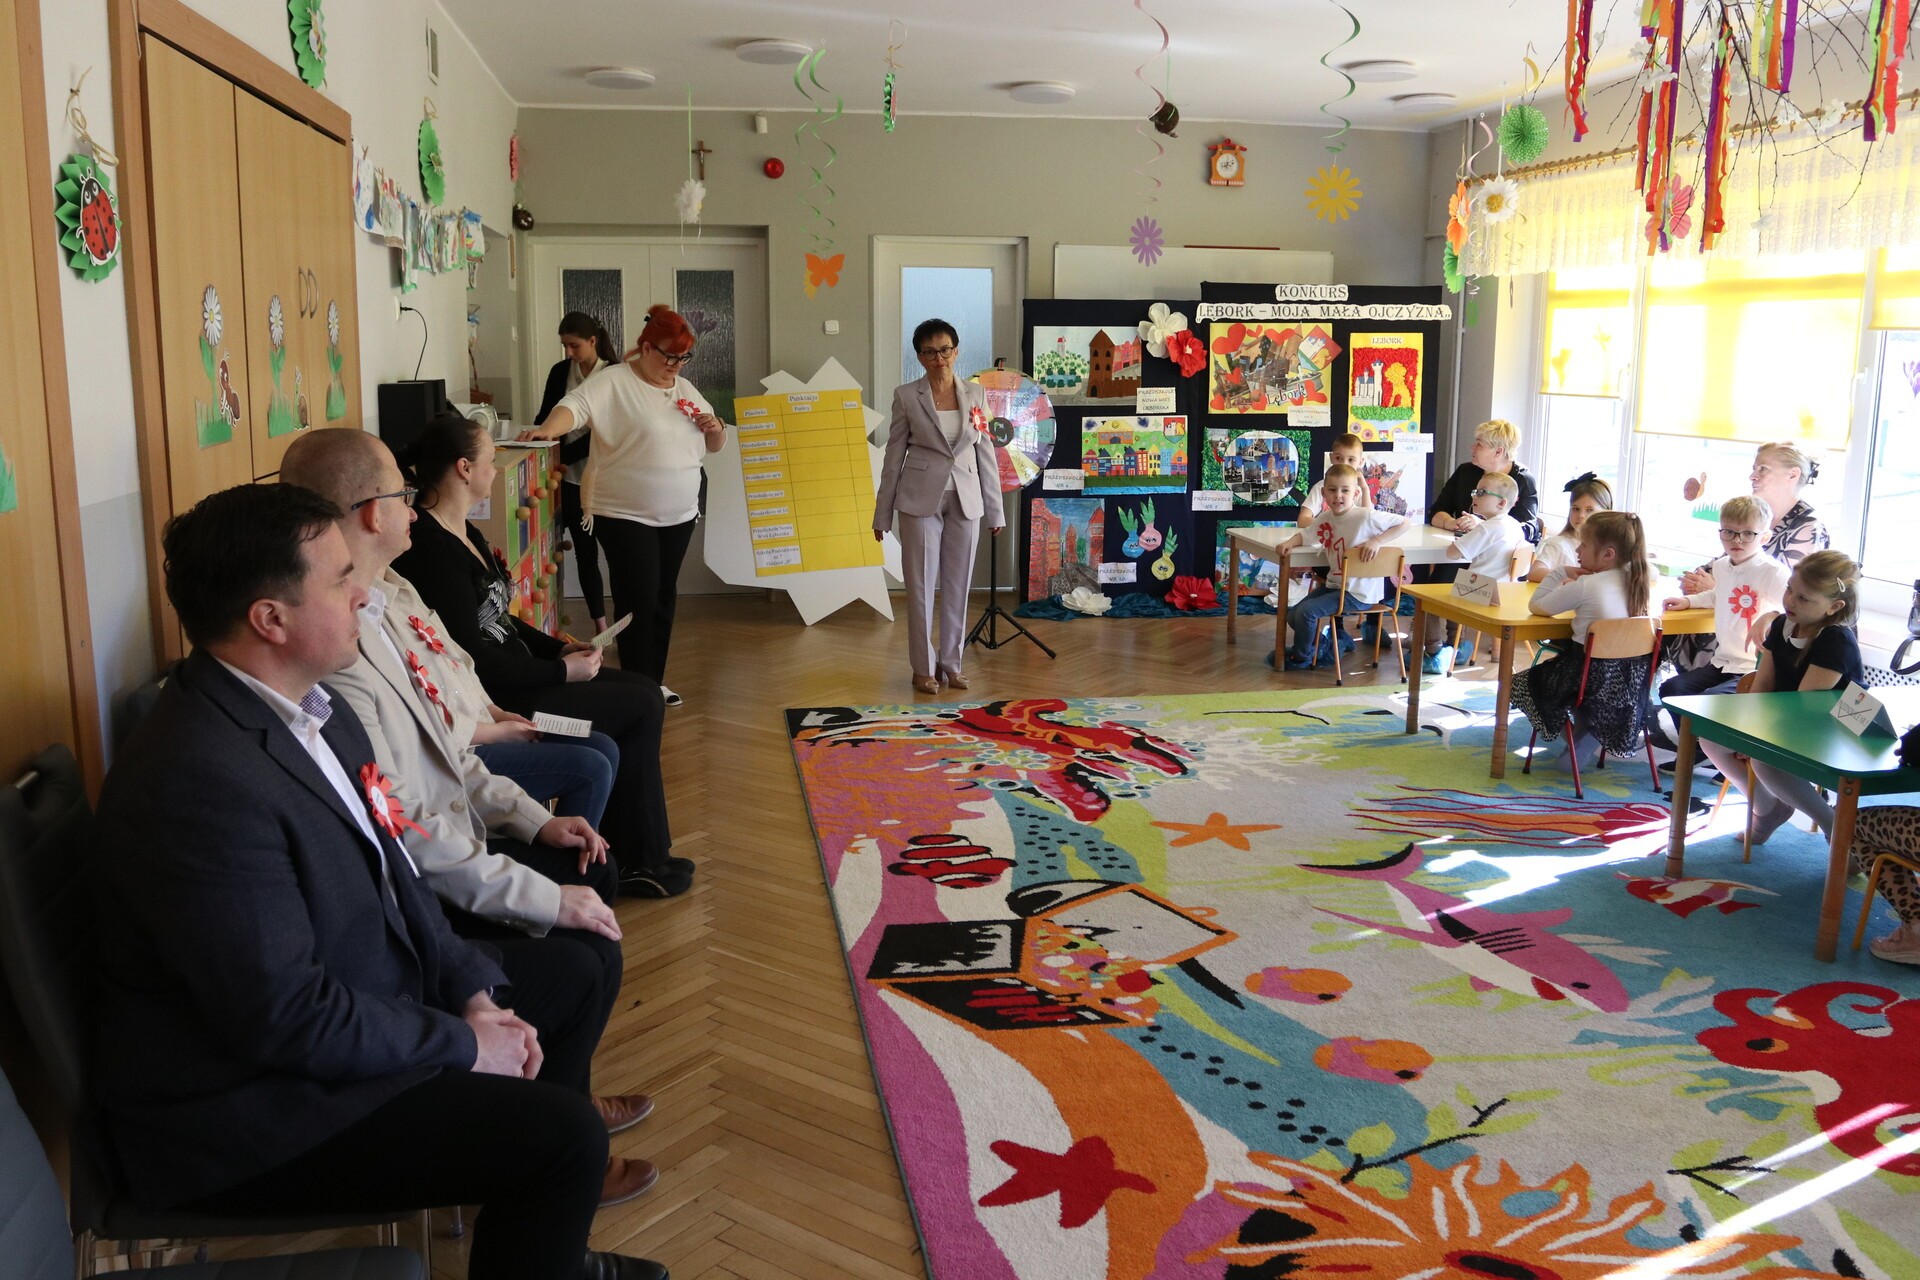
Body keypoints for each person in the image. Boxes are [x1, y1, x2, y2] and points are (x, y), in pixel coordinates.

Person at [90, 483, 666, 1280]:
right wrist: (464, 1042)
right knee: (564, 1138)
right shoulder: (196, 781)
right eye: (339, 579)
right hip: (257, 1113)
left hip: (357, 1007)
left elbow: (400, 875)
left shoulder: (317, 711)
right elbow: (287, 1019)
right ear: (271, 619)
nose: (365, 593)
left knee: (573, 972)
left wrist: (469, 991)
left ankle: (550, 1248)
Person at [398, 414, 692, 899]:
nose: (496, 470)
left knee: (643, 690)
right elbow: (475, 657)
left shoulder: (465, 533)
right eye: (491, 460)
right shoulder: (430, 551)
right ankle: (639, 857)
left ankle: (637, 851)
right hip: (504, 696)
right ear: (464, 468)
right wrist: (560, 671)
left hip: (528, 673)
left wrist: (561, 648)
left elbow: (503, 621)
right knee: (641, 705)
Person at [519, 304, 730, 706]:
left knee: (663, 597)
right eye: (669, 356)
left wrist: (716, 427)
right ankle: (637, 689)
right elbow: (573, 408)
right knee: (639, 597)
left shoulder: (684, 390)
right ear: (646, 347)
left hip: (680, 515)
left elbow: (715, 445)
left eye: (684, 357)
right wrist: (547, 430)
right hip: (623, 513)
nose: (676, 366)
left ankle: (652, 682)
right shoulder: (614, 381)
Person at [871, 318, 1005, 695]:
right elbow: (893, 457)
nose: (939, 358)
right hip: (919, 499)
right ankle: (922, 668)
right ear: (920, 357)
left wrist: (995, 509)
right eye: (929, 352)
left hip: (966, 498)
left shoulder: (976, 394)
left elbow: (986, 454)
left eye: (945, 350)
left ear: (956, 351)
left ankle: (951, 664)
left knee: (958, 586)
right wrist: (882, 513)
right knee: (921, 587)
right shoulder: (906, 395)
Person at [1700, 550, 1864, 845]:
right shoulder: (1782, 625)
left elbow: (1805, 703)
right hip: (1790, 719)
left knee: (1766, 760)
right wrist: (1747, 732)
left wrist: (1758, 740)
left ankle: (1837, 829)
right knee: (1710, 738)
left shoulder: (1836, 639)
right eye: (1789, 589)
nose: (1790, 601)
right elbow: (1763, 684)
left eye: (1804, 598)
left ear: (1834, 606)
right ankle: (1767, 809)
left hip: (1837, 728)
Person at [1669, 441, 1830, 674]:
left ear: (1792, 475)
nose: (1753, 476)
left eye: (1763, 469)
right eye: (1754, 469)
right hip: (1725, 631)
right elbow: (1722, 562)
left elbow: (1795, 597)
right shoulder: (1754, 512)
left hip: (1760, 647)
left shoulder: (1808, 529)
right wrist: (1699, 581)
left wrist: (1721, 588)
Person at [1511, 511, 1653, 766]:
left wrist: (1559, 573)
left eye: (1584, 544)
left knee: (1519, 685)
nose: (1578, 550)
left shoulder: (1588, 585)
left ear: (1608, 554)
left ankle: (1578, 742)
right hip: (1630, 682)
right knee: (1581, 690)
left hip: (1585, 677)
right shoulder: (1640, 580)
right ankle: (1589, 731)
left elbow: (1537, 605)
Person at [1422, 419, 1541, 673]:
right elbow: (1436, 511)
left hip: (1492, 573)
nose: (1472, 447)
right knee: (1441, 579)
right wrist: (1453, 523)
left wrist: (1484, 527)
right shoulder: (1467, 472)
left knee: (1430, 592)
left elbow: (1531, 528)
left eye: (1479, 444)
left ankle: (1444, 647)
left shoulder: (1521, 480)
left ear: (1499, 451)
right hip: (1473, 557)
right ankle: (1451, 643)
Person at [1658, 495, 1790, 700]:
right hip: (1722, 662)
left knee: (1713, 699)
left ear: (1764, 537)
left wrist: (1771, 616)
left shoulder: (1773, 572)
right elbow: (1717, 595)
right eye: (1729, 532)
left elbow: (1792, 611)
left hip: (1753, 668)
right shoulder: (1721, 566)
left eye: (1748, 533)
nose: (1737, 540)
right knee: (1673, 690)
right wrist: (1689, 601)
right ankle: (1691, 725)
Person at [539, 312, 619, 637]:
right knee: (585, 556)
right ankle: (601, 626)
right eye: (564, 346)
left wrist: (564, 455)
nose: (569, 352)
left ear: (592, 341)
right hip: (569, 481)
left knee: (616, 557)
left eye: (574, 345)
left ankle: (622, 623)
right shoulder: (560, 372)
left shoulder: (614, 374)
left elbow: (607, 430)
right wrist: (536, 438)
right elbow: (546, 417)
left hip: (606, 481)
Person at [1282, 463, 1407, 668]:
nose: (1338, 495)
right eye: (1332, 490)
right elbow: (1305, 535)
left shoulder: (1365, 516)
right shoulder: (1326, 517)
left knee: (1306, 613)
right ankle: (1323, 646)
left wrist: (1377, 541)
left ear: (1355, 493)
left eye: (1345, 491)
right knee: (1293, 614)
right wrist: (1289, 543)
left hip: (1359, 593)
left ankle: (1301, 657)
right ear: (1324, 493)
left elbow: (1404, 523)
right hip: (1336, 586)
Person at [1528, 472, 1613, 581]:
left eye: (1589, 510)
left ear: (1606, 513)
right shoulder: (1559, 544)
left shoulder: (1611, 547)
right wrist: (1566, 578)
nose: (1581, 515)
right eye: (1576, 509)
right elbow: (1534, 572)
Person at [1444, 472, 1525, 578]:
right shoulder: (1515, 526)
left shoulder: (1488, 527)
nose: (1474, 496)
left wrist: (1461, 542)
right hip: (1506, 587)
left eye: (1481, 492)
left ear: (1501, 503)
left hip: (1478, 586)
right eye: (1475, 491)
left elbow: (1452, 553)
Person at [1297, 433, 1372, 520]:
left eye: (1351, 460)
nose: (1344, 464)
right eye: (1338, 458)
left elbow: (1367, 520)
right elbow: (1303, 519)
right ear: (1331, 458)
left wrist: (1365, 488)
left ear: (1360, 462)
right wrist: (1331, 525)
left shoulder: (1359, 490)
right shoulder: (1321, 487)